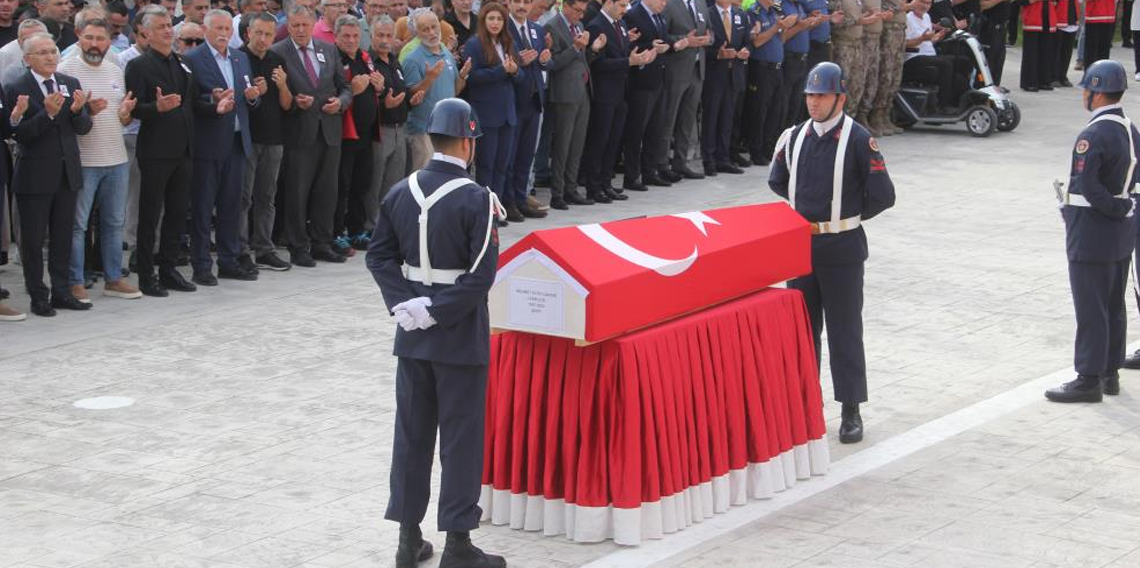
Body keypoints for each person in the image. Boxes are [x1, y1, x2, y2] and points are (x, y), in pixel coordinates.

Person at [365, 98, 505, 568]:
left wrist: (405, 303)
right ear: (467, 142)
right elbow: (481, 276)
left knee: (412, 435)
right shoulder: (477, 199)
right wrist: (436, 310)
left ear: (431, 139)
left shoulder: (400, 191)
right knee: (460, 439)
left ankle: (408, 539)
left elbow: (378, 256)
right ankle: (459, 545)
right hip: (459, 337)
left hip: (413, 337)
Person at [768, 62, 896, 443]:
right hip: (802, 246)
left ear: (840, 98)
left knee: (844, 331)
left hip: (842, 246)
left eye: (821, 95)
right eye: (810, 95)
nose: (814, 102)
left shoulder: (858, 139)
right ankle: (804, 407)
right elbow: (778, 181)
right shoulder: (793, 137)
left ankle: (851, 410)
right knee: (803, 333)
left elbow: (882, 195)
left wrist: (847, 216)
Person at [1048, 60, 1140, 403]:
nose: (1084, 95)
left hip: (1093, 231)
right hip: (1119, 233)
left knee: (1091, 307)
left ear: (1098, 92)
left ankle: (1088, 377)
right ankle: (1109, 372)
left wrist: (1115, 207)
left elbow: (1087, 185)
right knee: (1113, 304)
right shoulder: (1129, 127)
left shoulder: (1093, 134)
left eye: (1087, 88)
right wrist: (1125, 208)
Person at [7, 32, 94, 316]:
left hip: (67, 172)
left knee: (63, 236)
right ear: (27, 58)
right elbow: (18, 134)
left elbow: (81, 129)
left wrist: (80, 111)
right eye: (42, 52)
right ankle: (37, 295)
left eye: (53, 51)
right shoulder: (15, 87)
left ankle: (61, 291)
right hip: (35, 174)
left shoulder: (70, 83)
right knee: (32, 241)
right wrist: (48, 115)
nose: (50, 57)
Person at [126, 7, 208, 296]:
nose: (167, 30)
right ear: (146, 33)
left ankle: (169, 269)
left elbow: (194, 102)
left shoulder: (182, 63)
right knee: (150, 215)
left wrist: (216, 103)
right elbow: (133, 109)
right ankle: (147, 275)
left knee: (176, 213)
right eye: (160, 26)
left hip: (184, 148)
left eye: (168, 25)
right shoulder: (138, 66)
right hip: (156, 150)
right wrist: (156, 108)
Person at [59, 17, 142, 304]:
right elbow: (62, 119)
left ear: (110, 41)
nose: (95, 44)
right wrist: (85, 113)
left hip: (116, 156)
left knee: (114, 222)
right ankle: (75, 282)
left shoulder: (115, 68)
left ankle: (113, 279)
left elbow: (122, 116)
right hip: (84, 159)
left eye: (101, 39)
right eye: (89, 37)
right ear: (79, 36)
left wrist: (126, 113)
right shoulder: (65, 69)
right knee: (78, 225)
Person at [270, 4, 354, 267]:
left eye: (305, 25)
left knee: (327, 191)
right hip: (298, 132)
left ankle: (322, 243)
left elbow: (345, 87)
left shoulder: (327, 49)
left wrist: (340, 103)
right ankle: (297, 246)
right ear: (288, 26)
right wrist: (295, 101)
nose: (300, 30)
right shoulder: (278, 52)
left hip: (329, 130)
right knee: (297, 192)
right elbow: (276, 97)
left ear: (313, 24)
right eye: (295, 25)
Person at [184, 9, 260, 284]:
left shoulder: (240, 58)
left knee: (231, 206)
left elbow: (248, 95)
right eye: (217, 28)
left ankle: (229, 261)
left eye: (227, 29)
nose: (223, 34)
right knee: (203, 208)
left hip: (238, 141)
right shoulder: (192, 59)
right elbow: (190, 100)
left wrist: (252, 97)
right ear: (205, 31)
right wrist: (212, 101)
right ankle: (202, 265)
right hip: (208, 142)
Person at [240, 11, 293, 271]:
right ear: (248, 32)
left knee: (266, 197)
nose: (263, 39)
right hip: (247, 138)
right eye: (258, 32)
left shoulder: (276, 59)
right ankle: (240, 250)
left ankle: (264, 248)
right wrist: (252, 94)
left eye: (268, 34)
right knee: (243, 197)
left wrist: (282, 86)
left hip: (274, 138)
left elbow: (287, 104)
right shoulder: (238, 58)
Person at [581, 0, 648, 202]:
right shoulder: (596, 25)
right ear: (608, 3)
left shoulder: (619, 24)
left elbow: (622, 51)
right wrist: (629, 61)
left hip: (620, 92)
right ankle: (593, 187)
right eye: (621, 5)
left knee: (613, 140)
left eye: (626, 5)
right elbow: (598, 64)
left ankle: (606, 183)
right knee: (599, 141)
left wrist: (638, 56)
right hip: (604, 92)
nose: (625, 9)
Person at [464, 2, 520, 223]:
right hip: (486, 113)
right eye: (491, 19)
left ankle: (496, 209)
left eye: (499, 19)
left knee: (502, 165)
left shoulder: (508, 43)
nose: (495, 23)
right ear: (484, 21)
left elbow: (520, 76)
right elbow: (473, 78)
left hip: (507, 113)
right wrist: (501, 71)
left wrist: (515, 71)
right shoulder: (474, 44)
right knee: (486, 165)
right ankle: (484, 211)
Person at [333, 15, 382, 253]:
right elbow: (332, 93)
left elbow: (374, 90)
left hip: (365, 132)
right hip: (343, 133)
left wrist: (379, 87)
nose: (352, 40)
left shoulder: (364, 57)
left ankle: (356, 230)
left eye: (355, 36)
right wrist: (353, 89)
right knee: (341, 185)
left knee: (361, 184)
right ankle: (335, 232)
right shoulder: (333, 59)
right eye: (346, 36)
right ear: (336, 36)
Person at [622, 0, 680, 189]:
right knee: (636, 130)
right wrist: (650, 45)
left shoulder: (659, 17)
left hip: (659, 79)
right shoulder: (633, 14)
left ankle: (649, 172)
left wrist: (668, 46)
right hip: (641, 81)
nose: (664, 3)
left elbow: (664, 39)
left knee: (654, 129)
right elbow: (627, 43)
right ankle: (631, 176)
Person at [403, 8, 469, 170]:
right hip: (423, 131)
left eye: (434, 27)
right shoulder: (412, 59)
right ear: (416, 33)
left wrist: (462, 75)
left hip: (447, 129)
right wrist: (429, 78)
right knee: (423, 177)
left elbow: (455, 89)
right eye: (425, 29)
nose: (432, 32)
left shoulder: (445, 51)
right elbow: (412, 96)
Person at [651, 0, 709, 182]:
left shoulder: (700, 4)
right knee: (669, 118)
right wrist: (685, 41)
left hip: (697, 69)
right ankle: (660, 163)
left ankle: (680, 162)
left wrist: (709, 39)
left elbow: (710, 30)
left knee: (688, 119)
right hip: (676, 70)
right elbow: (662, 35)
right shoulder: (669, 4)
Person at [545, 0, 595, 207]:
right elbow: (553, 63)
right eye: (577, 11)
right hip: (565, 93)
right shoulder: (552, 26)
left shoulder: (580, 27)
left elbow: (582, 59)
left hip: (582, 90)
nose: (581, 15)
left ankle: (571, 188)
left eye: (583, 12)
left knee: (577, 144)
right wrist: (575, 47)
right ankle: (557, 193)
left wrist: (594, 49)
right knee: (562, 146)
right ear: (565, 6)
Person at [505, 0, 550, 217]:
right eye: (517, 1)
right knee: (510, 156)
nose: (522, 6)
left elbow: (543, 63)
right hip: (513, 101)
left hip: (534, 100)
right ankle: (508, 201)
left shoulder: (537, 29)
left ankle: (521, 198)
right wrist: (518, 60)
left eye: (526, 2)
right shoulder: (502, 27)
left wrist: (544, 60)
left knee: (526, 155)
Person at [370, 15, 418, 213]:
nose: (384, 40)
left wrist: (411, 101)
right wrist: (384, 104)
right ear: (371, 36)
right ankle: (370, 225)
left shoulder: (394, 61)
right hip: (380, 130)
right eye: (380, 35)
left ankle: (388, 225)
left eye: (389, 36)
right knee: (374, 182)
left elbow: (401, 92)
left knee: (394, 182)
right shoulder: (369, 62)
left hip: (400, 128)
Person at [700, 0, 749, 176]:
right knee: (711, 117)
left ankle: (724, 158)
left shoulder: (741, 15)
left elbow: (747, 42)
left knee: (728, 118)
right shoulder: (708, 14)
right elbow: (703, 46)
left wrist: (745, 51)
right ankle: (709, 159)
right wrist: (718, 54)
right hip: (714, 74)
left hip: (734, 73)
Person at [744, 0, 792, 164]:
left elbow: (781, 39)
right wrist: (775, 27)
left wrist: (784, 27)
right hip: (761, 68)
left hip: (777, 67)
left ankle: (768, 148)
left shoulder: (774, 11)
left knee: (774, 110)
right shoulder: (754, 11)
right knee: (759, 110)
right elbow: (756, 41)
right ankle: (756, 151)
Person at [904, 0, 958, 110]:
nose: (925, 6)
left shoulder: (927, 17)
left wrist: (936, 38)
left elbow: (928, 41)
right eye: (922, 2)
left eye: (928, 4)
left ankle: (958, 101)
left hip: (929, 54)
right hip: (914, 57)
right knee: (945, 64)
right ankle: (942, 105)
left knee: (961, 61)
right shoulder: (907, 19)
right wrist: (922, 39)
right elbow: (904, 44)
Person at [869, 0, 906, 135]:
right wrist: (908, 6)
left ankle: (885, 114)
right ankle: (876, 116)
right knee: (886, 75)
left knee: (894, 78)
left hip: (899, 30)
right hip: (888, 30)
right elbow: (884, 7)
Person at [1018, 0, 1056, 91]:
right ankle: (1029, 82)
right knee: (1031, 53)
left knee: (1046, 51)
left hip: (1048, 17)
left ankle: (1043, 81)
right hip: (1032, 17)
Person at [1082, 0, 1114, 65]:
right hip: (1094, 15)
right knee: (1091, 51)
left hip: (1109, 14)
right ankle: (1090, 72)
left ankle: (1102, 72)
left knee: (1104, 50)